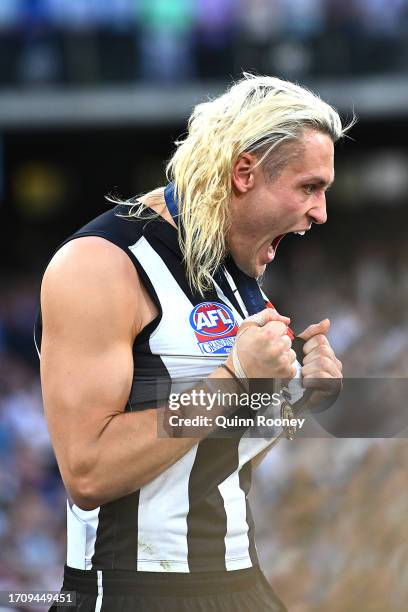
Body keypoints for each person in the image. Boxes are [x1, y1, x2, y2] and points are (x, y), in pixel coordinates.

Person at [35, 74, 350, 611]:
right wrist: (230, 380)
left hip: (238, 580)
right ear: (245, 172)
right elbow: (87, 471)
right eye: (308, 187)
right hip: (133, 590)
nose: (320, 212)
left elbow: (214, 450)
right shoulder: (100, 264)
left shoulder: (233, 267)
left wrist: (300, 392)